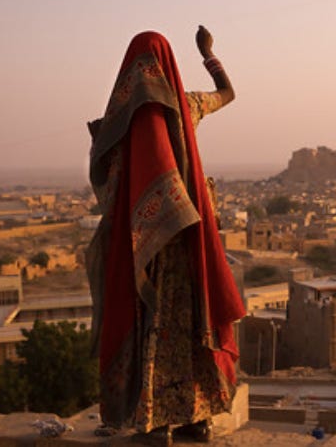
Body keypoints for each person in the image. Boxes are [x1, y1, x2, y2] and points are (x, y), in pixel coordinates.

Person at [86, 27, 246, 446]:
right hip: (189, 239)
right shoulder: (187, 104)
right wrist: (208, 55)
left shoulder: (119, 120)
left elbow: (106, 178)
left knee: (150, 324)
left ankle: (156, 422)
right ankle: (197, 418)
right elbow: (228, 93)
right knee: (193, 322)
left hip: (145, 245)